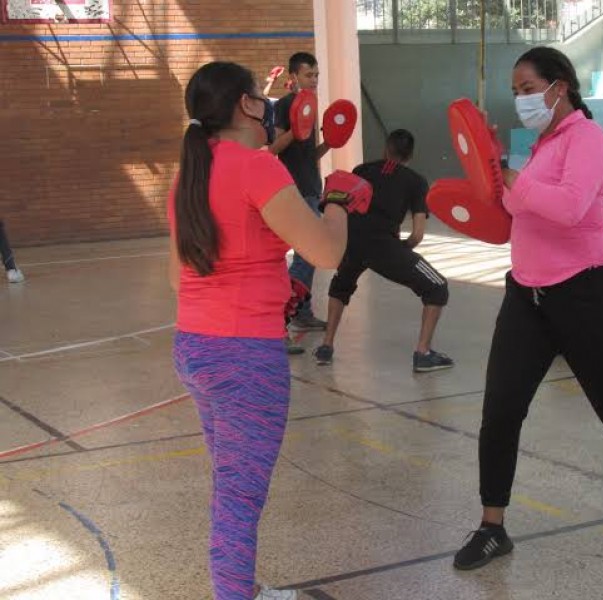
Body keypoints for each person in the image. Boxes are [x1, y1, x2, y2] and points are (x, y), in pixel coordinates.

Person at [454, 47, 603, 571]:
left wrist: (512, 180)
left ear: (559, 87)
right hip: (527, 294)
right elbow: (515, 213)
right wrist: (490, 167)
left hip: (587, 294)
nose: (521, 99)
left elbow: (567, 207)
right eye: (515, 91)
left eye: (528, 88)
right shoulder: (542, 145)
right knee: (500, 412)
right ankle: (493, 526)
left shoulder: (589, 138)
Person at [168, 61, 354, 600]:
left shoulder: (189, 175)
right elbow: (326, 250)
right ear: (249, 105)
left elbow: (174, 276)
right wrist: (338, 202)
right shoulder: (257, 168)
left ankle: (239, 588)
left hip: (195, 347)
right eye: (260, 96)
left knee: (232, 480)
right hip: (243, 356)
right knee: (240, 494)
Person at [312, 129, 454, 373]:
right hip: (383, 246)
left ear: (385, 149)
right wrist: (400, 251)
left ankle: (326, 346)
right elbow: (418, 234)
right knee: (437, 287)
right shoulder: (416, 181)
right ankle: (423, 352)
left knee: (341, 286)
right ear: (410, 155)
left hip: (352, 242)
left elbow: (343, 209)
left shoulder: (362, 170)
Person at [270, 52, 330, 345]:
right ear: (293, 77)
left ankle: (301, 310)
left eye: (316, 75)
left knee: (310, 257)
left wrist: (330, 142)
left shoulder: (311, 106)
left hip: (311, 188)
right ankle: (283, 312)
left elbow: (310, 156)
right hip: (293, 190)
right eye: (309, 75)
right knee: (307, 255)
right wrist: (296, 130)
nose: (314, 80)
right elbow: (275, 147)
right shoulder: (284, 105)